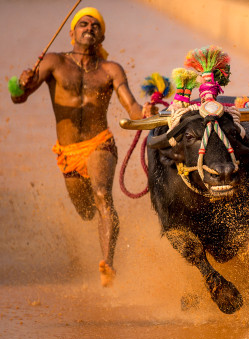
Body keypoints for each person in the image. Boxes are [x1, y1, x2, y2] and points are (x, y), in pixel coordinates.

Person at [10, 7, 156, 287]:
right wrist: (21, 83)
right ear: (72, 31)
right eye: (83, 24)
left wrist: (146, 113)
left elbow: (133, 108)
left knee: (102, 195)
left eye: (95, 26)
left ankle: (108, 266)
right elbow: (19, 98)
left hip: (100, 143)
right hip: (68, 153)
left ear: (102, 35)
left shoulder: (110, 69)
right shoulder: (53, 62)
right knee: (86, 211)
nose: (89, 28)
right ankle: (97, 250)